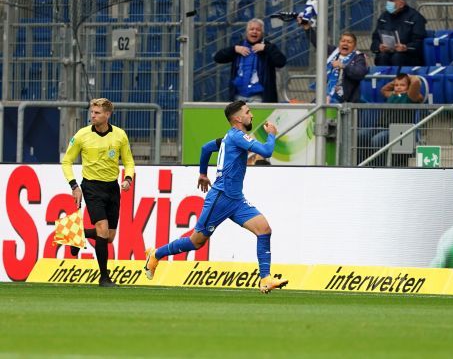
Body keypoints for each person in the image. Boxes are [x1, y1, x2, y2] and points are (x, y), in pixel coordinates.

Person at [144, 101, 288, 294]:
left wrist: (203, 174)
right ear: (237, 118)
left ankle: (265, 278)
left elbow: (205, 148)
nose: (251, 115)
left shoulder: (229, 137)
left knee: (264, 229)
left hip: (235, 199)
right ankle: (156, 254)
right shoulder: (237, 136)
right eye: (248, 112)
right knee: (196, 241)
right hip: (221, 197)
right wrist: (271, 134)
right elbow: (267, 151)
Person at [61, 98, 135, 287]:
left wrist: (128, 179)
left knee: (109, 237)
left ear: (107, 115)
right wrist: (74, 186)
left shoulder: (120, 135)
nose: (92, 116)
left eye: (97, 113)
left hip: (112, 188)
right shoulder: (81, 135)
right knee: (102, 229)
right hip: (91, 187)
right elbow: (66, 161)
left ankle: (77, 235)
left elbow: (128, 161)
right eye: (92, 112)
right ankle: (104, 277)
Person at [214, 18, 287, 103]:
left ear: (262, 33)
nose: (254, 32)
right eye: (251, 29)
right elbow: (218, 58)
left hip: (260, 97)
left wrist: (266, 48)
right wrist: (234, 49)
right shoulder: (239, 46)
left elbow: (281, 62)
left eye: (258, 30)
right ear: (246, 32)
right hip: (238, 96)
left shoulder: (268, 47)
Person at [358, 73, 424, 166]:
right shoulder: (392, 94)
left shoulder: (410, 96)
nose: (398, 87)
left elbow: (416, 81)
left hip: (399, 130)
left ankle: (378, 167)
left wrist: (407, 77)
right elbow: (384, 89)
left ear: (408, 86)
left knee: (377, 140)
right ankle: (362, 165)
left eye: (402, 85)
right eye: (396, 85)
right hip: (381, 127)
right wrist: (398, 80)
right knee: (360, 135)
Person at [300, 22, 368, 103]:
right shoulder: (334, 52)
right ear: (339, 43)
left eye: (349, 42)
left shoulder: (358, 57)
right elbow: (318, 43)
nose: (345, 43)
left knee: (326, 104)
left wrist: (343, 66)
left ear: (354, 46)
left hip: (344, 99)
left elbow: (360, 73)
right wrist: (307, 27)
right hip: (325, 95)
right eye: (343, 41)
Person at [370, 0, 427, 66]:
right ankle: (383, 78)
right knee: (382, 56)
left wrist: (405, 47)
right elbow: (375, 38)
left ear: (401, 3)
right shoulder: (384, 17)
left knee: (397, 57)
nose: (388, 2)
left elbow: (419, 42)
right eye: (388, 0)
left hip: (409, 56)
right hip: (387, 53)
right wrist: (379, 46)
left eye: (391, 0)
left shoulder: (415, 17)